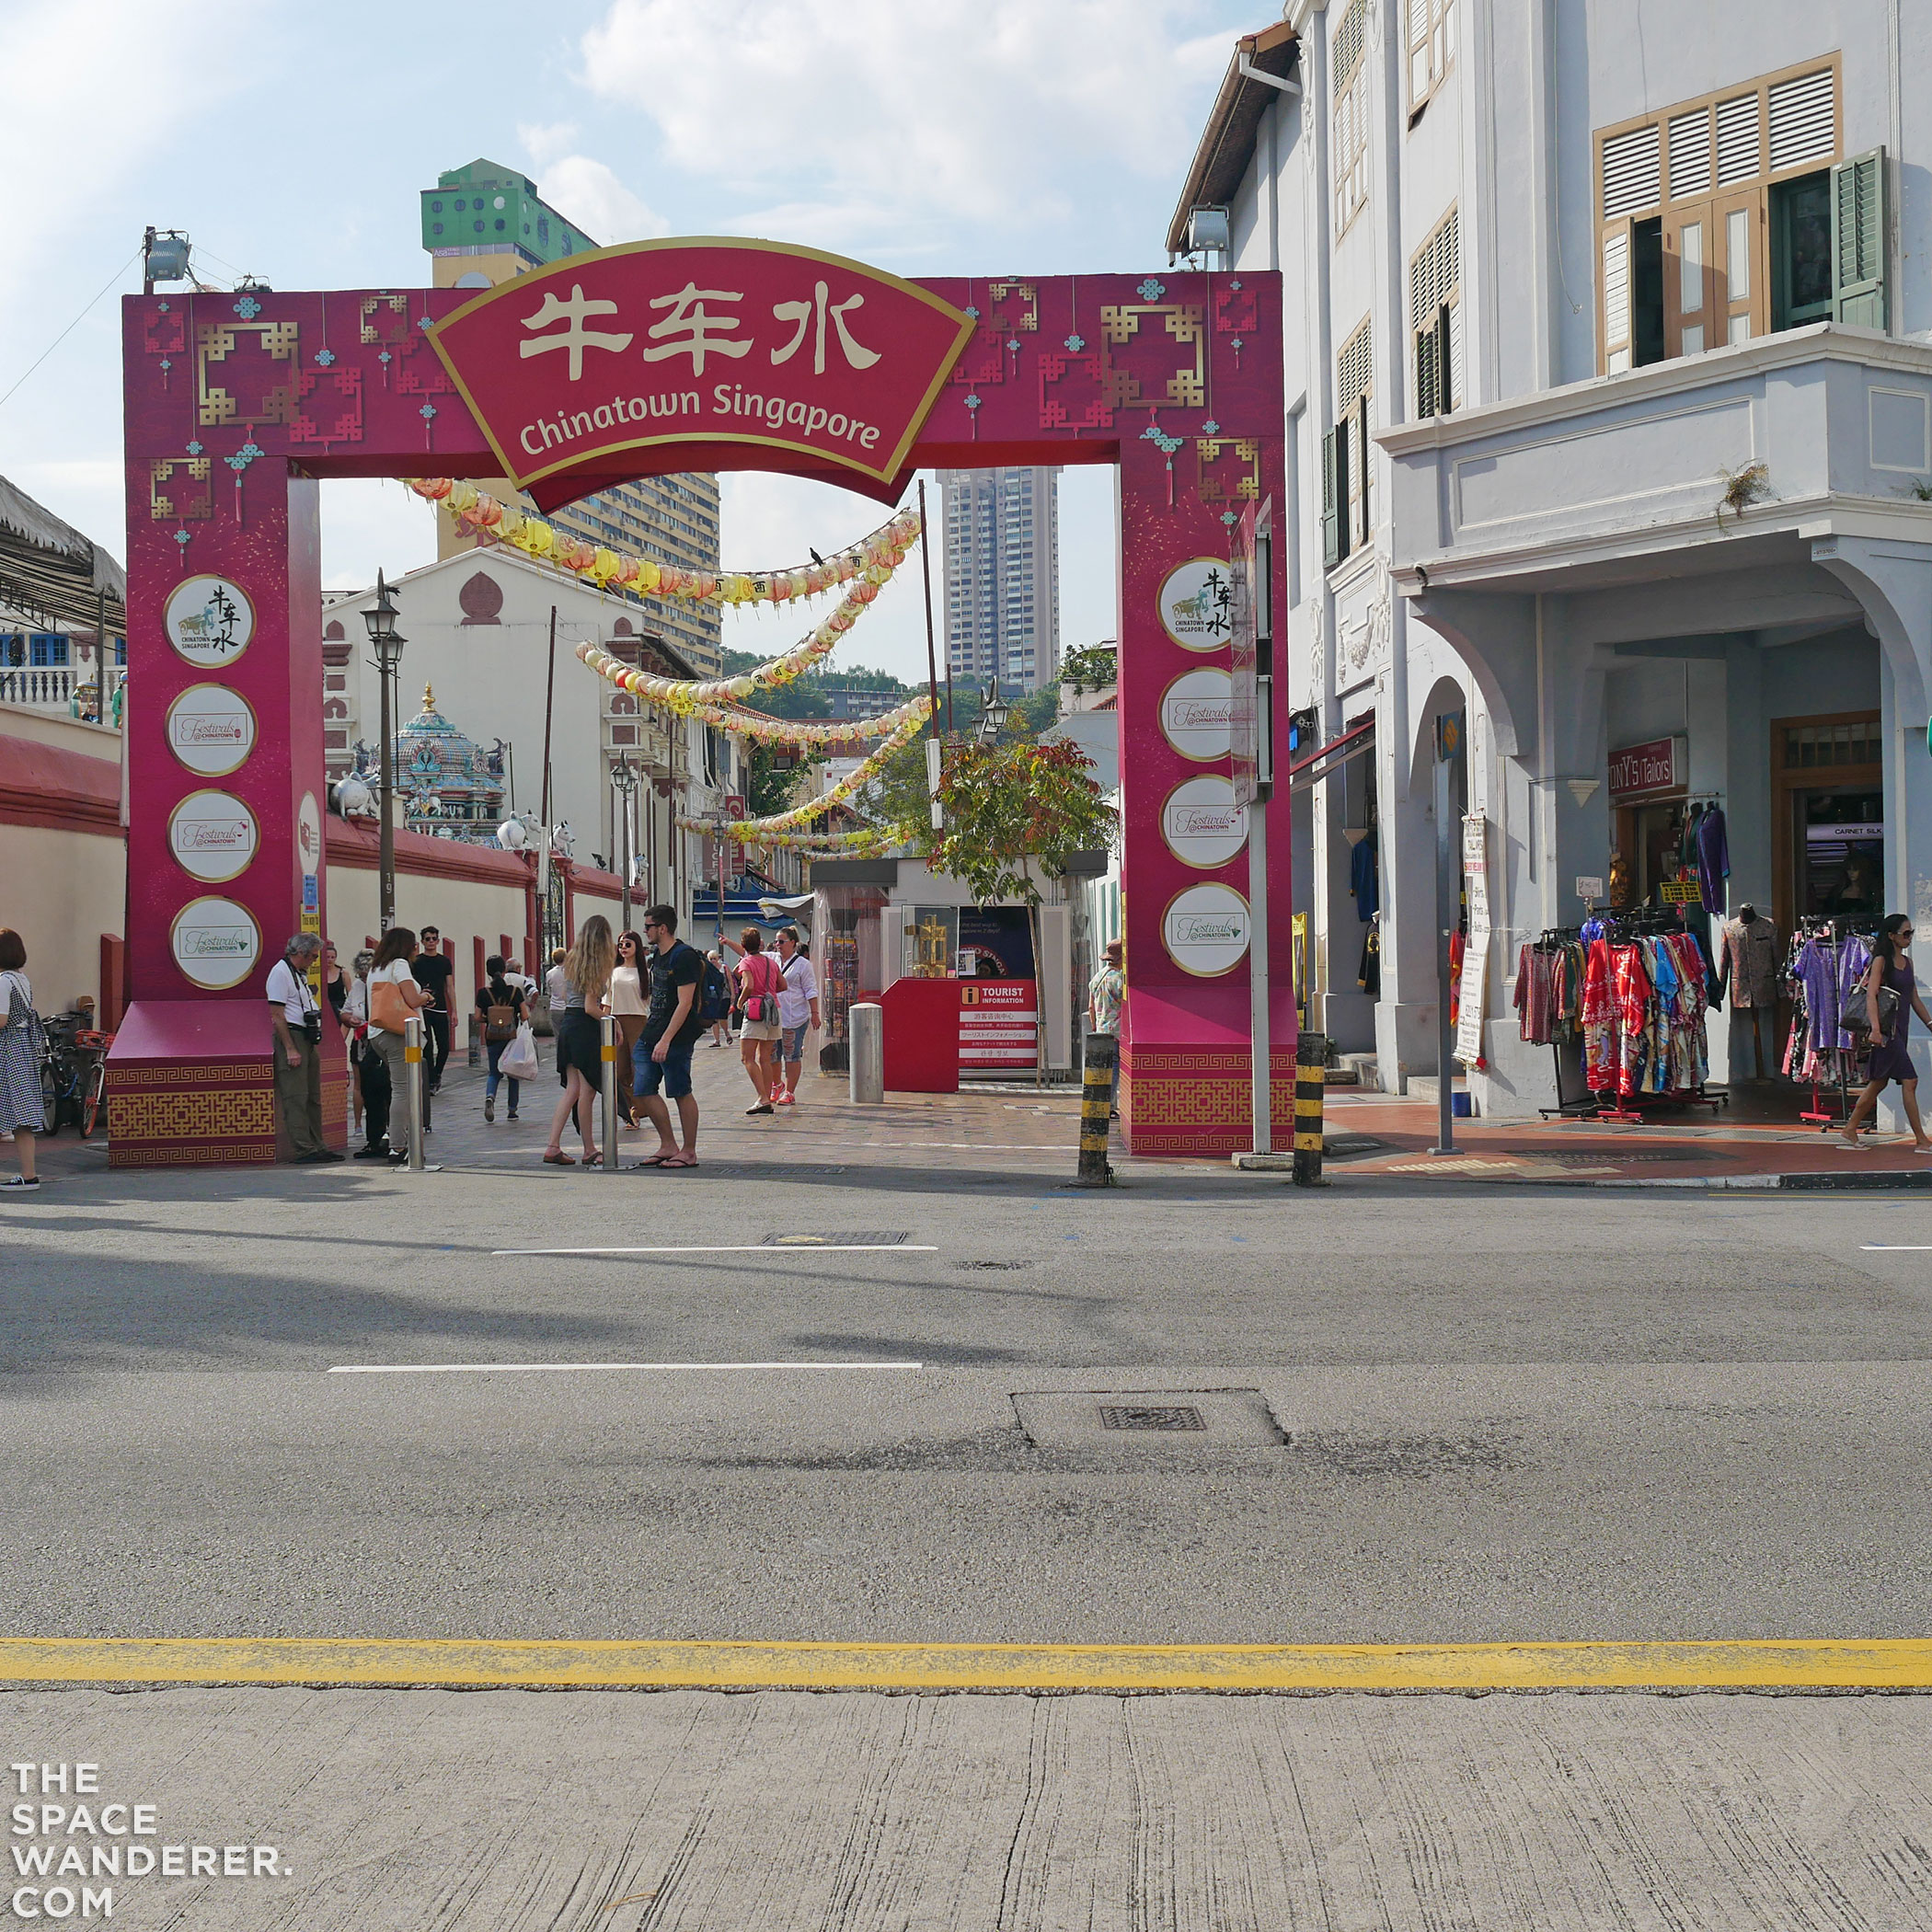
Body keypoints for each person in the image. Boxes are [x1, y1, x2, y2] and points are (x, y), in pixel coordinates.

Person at [1840, 914, 1932, 1151]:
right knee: (1910, 1080)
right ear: (1891, 936)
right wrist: (1876, 1030)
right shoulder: (1881, 960)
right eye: (1906, 933)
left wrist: (1930, 1023)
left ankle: (1850, 1129)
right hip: (1886, 1033)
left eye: (1911, 932)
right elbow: (1871, 995)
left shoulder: (1907, 963)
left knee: (1877, 1084)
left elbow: (1913, 998)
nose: (1909, 937)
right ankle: (1921, 1140)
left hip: (1899, 1030)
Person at [634, 903, 704, 1168]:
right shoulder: (658, 955)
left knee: (680, 1090)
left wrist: (666, 1039)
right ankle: (668, 1145)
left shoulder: (683, 956)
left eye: (649, 926)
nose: (645, 931)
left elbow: (684, 1003)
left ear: (662, 928)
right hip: (652, 1031)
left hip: (677, 1035)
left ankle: (688, 1151)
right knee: (642, 1089)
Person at [545, 916, 614, 1167]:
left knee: (573, 1090)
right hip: (585, 1028)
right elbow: (590, 1007)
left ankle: (553, 1145)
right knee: (588, 1090)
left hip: (568, 1024)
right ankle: (589, 1148)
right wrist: (611, 1019)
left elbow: (565, 996)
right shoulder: (596, 964)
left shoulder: (572, 960)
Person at [267, 934, 339, 1164]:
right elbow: (277, 1015)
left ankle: (318, 1145)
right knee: (296, 1096)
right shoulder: (280, 973)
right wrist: (290, 1048)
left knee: (313, 1097)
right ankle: (303, 1149)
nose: (315, 961)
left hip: (307, 1036)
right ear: (301, 953)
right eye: (313, 956)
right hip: (293, 1035)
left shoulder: (299, 974)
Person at [365, 927, 431, 1162]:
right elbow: (412, 1000)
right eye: (415, 944)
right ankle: (397, 1145)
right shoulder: (399, 965)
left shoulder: (376, 967)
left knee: (400, 1086)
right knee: (404, 1089)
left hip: (377, 1034)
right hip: (399, 1034)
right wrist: (425, 996)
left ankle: (390, 1135)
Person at [0, 928, 43, 1190]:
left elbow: (1, 1020)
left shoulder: (3, 981)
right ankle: (30, 1175)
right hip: (23, 1047)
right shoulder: (20, 979)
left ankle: (28, 1178)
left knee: (10, 1110)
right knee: (21, 1117)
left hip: (6, 1049)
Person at [342, 949, 390, 1158]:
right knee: (369, 1093)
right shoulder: (358, 988)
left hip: (384, 1044)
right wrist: (348, 1019)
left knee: (388, 1092)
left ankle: (391, 1137)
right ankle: (373, 1139)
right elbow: (345, 1011)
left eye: (367, 974)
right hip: (362, 1045)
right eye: (361, 975)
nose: (364, 978)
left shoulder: (386, 987)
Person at [730, 927, 783, 1115]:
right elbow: (783, 985)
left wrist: (740, 1001)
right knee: (765, 1057)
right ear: (760, 942)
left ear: (744, 944)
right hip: (773, 1009)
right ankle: (767, 1096)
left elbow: (749, 985)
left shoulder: (746, 963)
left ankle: (762, 1098)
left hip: (756, 1011)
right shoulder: (771, 962)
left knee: (747, 1057)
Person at [771, 927, 821, 1108]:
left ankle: (789, 1091)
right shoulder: (773, 959)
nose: (778, 945)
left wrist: (815, 1013)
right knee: (773, 1054)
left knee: (791, 1054)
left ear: (792, 942)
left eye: (781, 941)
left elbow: (810, 990)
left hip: (794, 1017)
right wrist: (728, 943)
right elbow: (751, 953)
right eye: (776, 941)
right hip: (775, 1017)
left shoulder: (803, 965)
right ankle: (776, 1085)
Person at [477, 955, 528, 1124]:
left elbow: (477, 1017)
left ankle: (490, 1096)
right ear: (505, 971)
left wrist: (490, 1019)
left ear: (488, 972)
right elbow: (525, 1015)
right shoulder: (514, 991)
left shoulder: (483, 993)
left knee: (494, 1073)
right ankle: (512, 1111)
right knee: (513, 1074)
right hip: (511, 1037)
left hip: (492, 1037)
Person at [609, 928, 650, 1128]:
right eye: (621, 945)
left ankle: (638, 1108)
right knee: (619, 1068)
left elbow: (648, 1001)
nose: (623, 948)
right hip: (616, 1020)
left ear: (637, 947)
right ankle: (629, 1109)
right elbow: (607, 1001)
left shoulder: (644, 973)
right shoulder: (614, 972)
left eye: (628, 944)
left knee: (639, 1067)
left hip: (639, 1020)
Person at [410, 924, 454, 1093]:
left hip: (441, 1008)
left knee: (444, 1046)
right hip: (423, 1008)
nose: (431, 942)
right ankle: (430, 1081)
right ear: (422, 941)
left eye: (434, 939)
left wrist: (454, 1010)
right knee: (427, 1046)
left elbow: (449, 986)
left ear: (438, 940)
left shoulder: (444, 961)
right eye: (427, 939)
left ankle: (437, 1074)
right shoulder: (417, 962)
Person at [1087, 937, 1124, 1119]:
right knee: (1114, 1069)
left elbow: (1090, 1007)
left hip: (1101, 1030)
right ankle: (1109, 1106)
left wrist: (1095, 1027)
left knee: (1102, 1071)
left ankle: (1101, 1104)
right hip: (1116, 1031)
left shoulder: (1097, 977)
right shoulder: (1120, 980)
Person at [700, 950, 732, 1049]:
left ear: (718, 959)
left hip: (724, 995)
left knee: (722, 1017)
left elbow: (730, 981)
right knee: (714, 1019)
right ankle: (717, 1040)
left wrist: (733, 994)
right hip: (713, 996)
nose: (713, 961)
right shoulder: (708, 969)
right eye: (711, 959)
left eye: (714, 958)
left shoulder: (724, 968)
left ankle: (727, 1033)